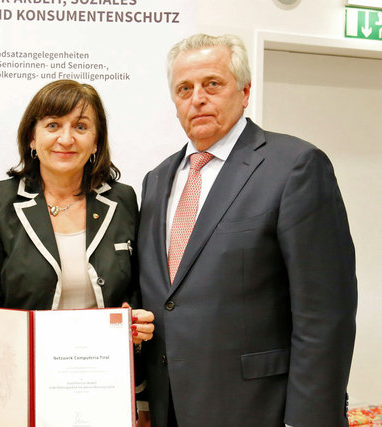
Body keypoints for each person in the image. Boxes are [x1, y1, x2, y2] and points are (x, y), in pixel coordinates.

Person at [137, 33, 357, 427]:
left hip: (260, 409)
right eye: (184, 88)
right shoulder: (157, 180)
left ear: (245, 91)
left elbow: (326, 313)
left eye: (212, 84)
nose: (197, 98)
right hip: (171, 406)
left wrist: (309, 419)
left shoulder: (294, 166)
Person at [0, 79, 154, 366]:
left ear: (96, 141)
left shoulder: (122, 199)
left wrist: (137, 321)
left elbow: (135, 289)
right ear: (31, 138)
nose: (66, 139)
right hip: (24, 370)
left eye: (81, 127)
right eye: (52, 125)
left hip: (104, 373)